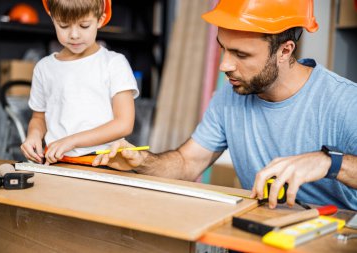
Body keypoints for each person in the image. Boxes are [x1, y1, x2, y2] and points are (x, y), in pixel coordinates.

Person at [92, 0, 357, 210]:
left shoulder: (344, 101)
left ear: (285, 51)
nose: (224, 66)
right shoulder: (230, 96)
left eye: (241, 54)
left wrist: (331, 163)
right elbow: (187, 162)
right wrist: (142, 161)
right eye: (223, 48)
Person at [21, 0, 139, 165]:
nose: (74, 35)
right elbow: (39, 117)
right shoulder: (44, 68)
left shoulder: (114, 63)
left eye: (84, 26)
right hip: (57, 163)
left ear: (100, 19)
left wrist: (72, 141)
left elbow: (124, 124)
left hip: (104, 163)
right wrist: (33, 135)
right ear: (52, 18)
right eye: (64, 26)